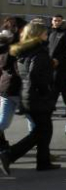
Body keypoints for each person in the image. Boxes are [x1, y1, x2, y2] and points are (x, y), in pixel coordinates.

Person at [0, 21, 59, 174]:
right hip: (37, 96)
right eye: (45, 33)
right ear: (38, 34)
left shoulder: (22, 50)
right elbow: (35, 75)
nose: (47, 35)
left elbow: (24, 73)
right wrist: (47, 88)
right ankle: (10, 154)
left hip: (27, 93)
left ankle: (43, 161)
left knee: (43, 130)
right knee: (41, 131)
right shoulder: (39, 52)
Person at [0, 17, 26, 152]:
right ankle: (42, 151)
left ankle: (43, 151)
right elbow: (19, 69)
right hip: (15, 87)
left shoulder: (4, 44)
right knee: (37, 123)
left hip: (5, 86)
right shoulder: (15, 46)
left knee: (3, 122)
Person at [48, 14, 66, 118]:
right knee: (63, 88)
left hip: (61, 65)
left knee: (55, 87)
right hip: (50, 64)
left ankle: (49, 109)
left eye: (59, 20)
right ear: (52, 21)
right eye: (55, 20)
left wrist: (59, 60)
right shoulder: (50, 32)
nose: (57, 22)